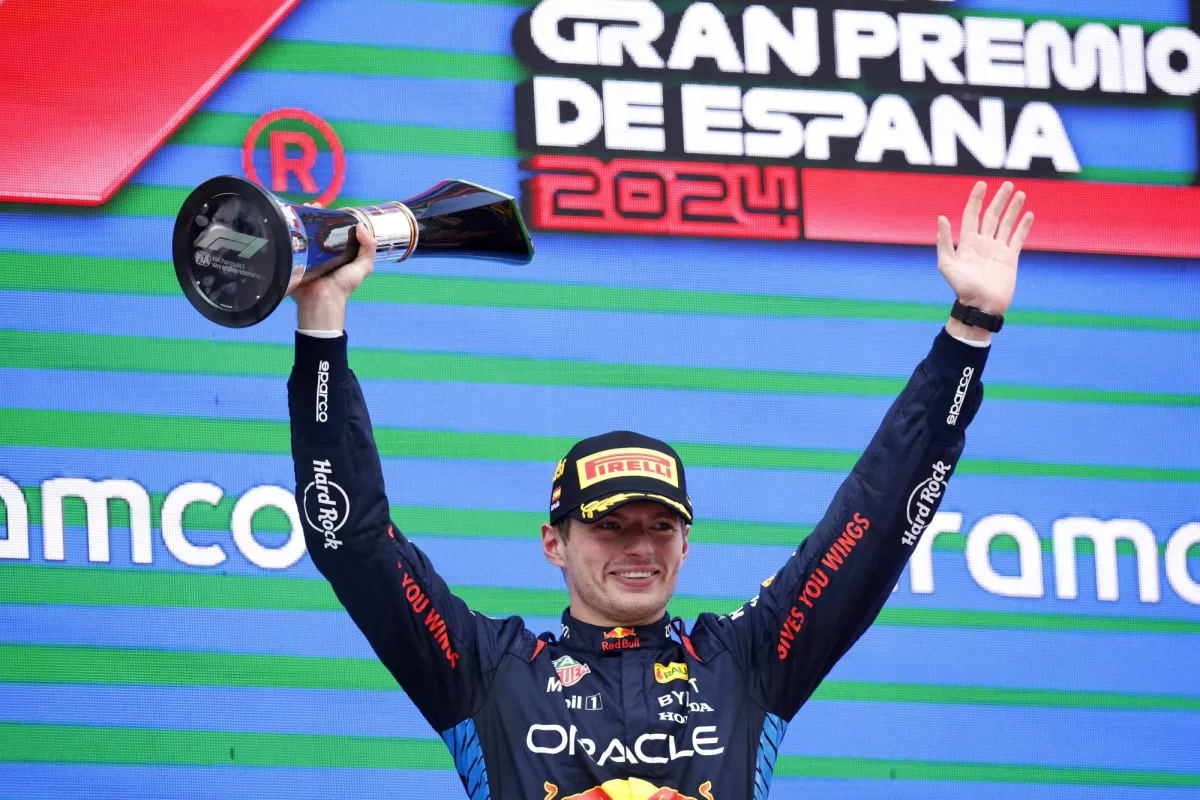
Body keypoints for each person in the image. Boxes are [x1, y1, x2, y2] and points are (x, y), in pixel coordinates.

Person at [288, 182, 1033, 800]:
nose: (639, 546)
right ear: (554, 542)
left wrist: (970, 330)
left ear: (686, 541)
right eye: (609, 525)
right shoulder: (487, 671)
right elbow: (351, 540)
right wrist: (322, 322)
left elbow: (874, 520)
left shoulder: (746, 662)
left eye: (660, 525)